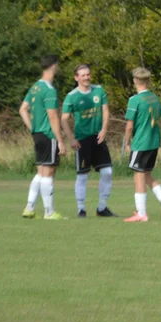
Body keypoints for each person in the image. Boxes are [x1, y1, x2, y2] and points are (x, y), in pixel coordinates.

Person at [60, 64, 117, 218]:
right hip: (82, 140)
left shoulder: (99, 90)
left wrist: (104, 130)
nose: (86, 77)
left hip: (98, 138)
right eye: (83, 75)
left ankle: (102, 208)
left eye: (88, 74)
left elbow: (105, 111)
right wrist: (71, 139)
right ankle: (81, 209)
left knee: (107, 172)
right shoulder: (72, 96)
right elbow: (64, 119)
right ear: (76, 77)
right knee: (83, 175)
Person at [122, 68, 161, 222]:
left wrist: (127, 142)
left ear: (135, 81)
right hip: (153, 142)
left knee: (138, 176)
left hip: (141, 143)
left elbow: (130, 126)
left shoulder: (134, 100)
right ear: (149, 81)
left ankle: (141, 213)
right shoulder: (155, 98)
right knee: (147, 175)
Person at [19, 54, 66, 220]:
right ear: (53, 66)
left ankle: (30, 207)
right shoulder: (49, 89)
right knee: (49, 172)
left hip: (38, 134)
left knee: (40, 172)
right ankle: (49, 212)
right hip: (48, 134)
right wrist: (60, 141)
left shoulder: (35, 87)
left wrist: (33, 128)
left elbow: (23, 109)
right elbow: (53, 116)